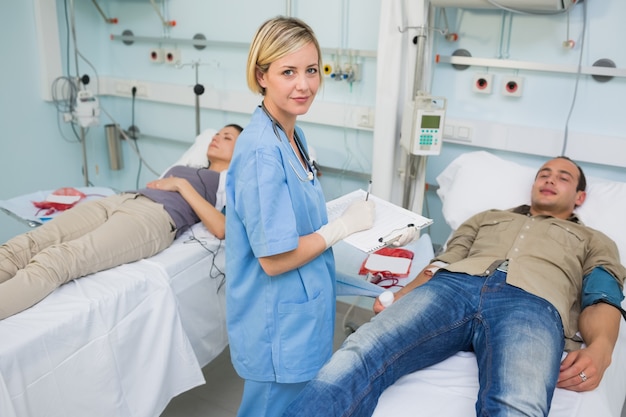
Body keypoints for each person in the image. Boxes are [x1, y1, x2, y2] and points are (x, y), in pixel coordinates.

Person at [284, 156, 626, 417]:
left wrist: (602, 348)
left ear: (579, 196)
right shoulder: (486, 217)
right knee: (361, 352)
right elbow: (442, 262)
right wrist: (402, 295)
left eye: (562, 177)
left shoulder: (594, 239)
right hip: (451, 287)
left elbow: (602, 296)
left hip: (533, 305)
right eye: (544, 174)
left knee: (516, 401)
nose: (549, 180)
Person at [225, 16, 377, 417]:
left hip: (300, 316)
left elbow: (289, 211)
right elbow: (274, 259)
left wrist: (345, 214)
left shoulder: (291, 133)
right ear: (262, 76)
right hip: (278, 325)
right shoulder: (261, 150)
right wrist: (344, 226)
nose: (304, 84)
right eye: (287, 72)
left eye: (311, 70)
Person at [0, 123, 242, 320]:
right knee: (25, 245)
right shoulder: (187, 166)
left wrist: (181, 184)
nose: (217, 137)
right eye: (218, 133)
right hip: (121, 200)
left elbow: (221, 228)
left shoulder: (227, 181)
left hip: (154, 217)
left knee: (59, 259)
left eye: (227, 137)